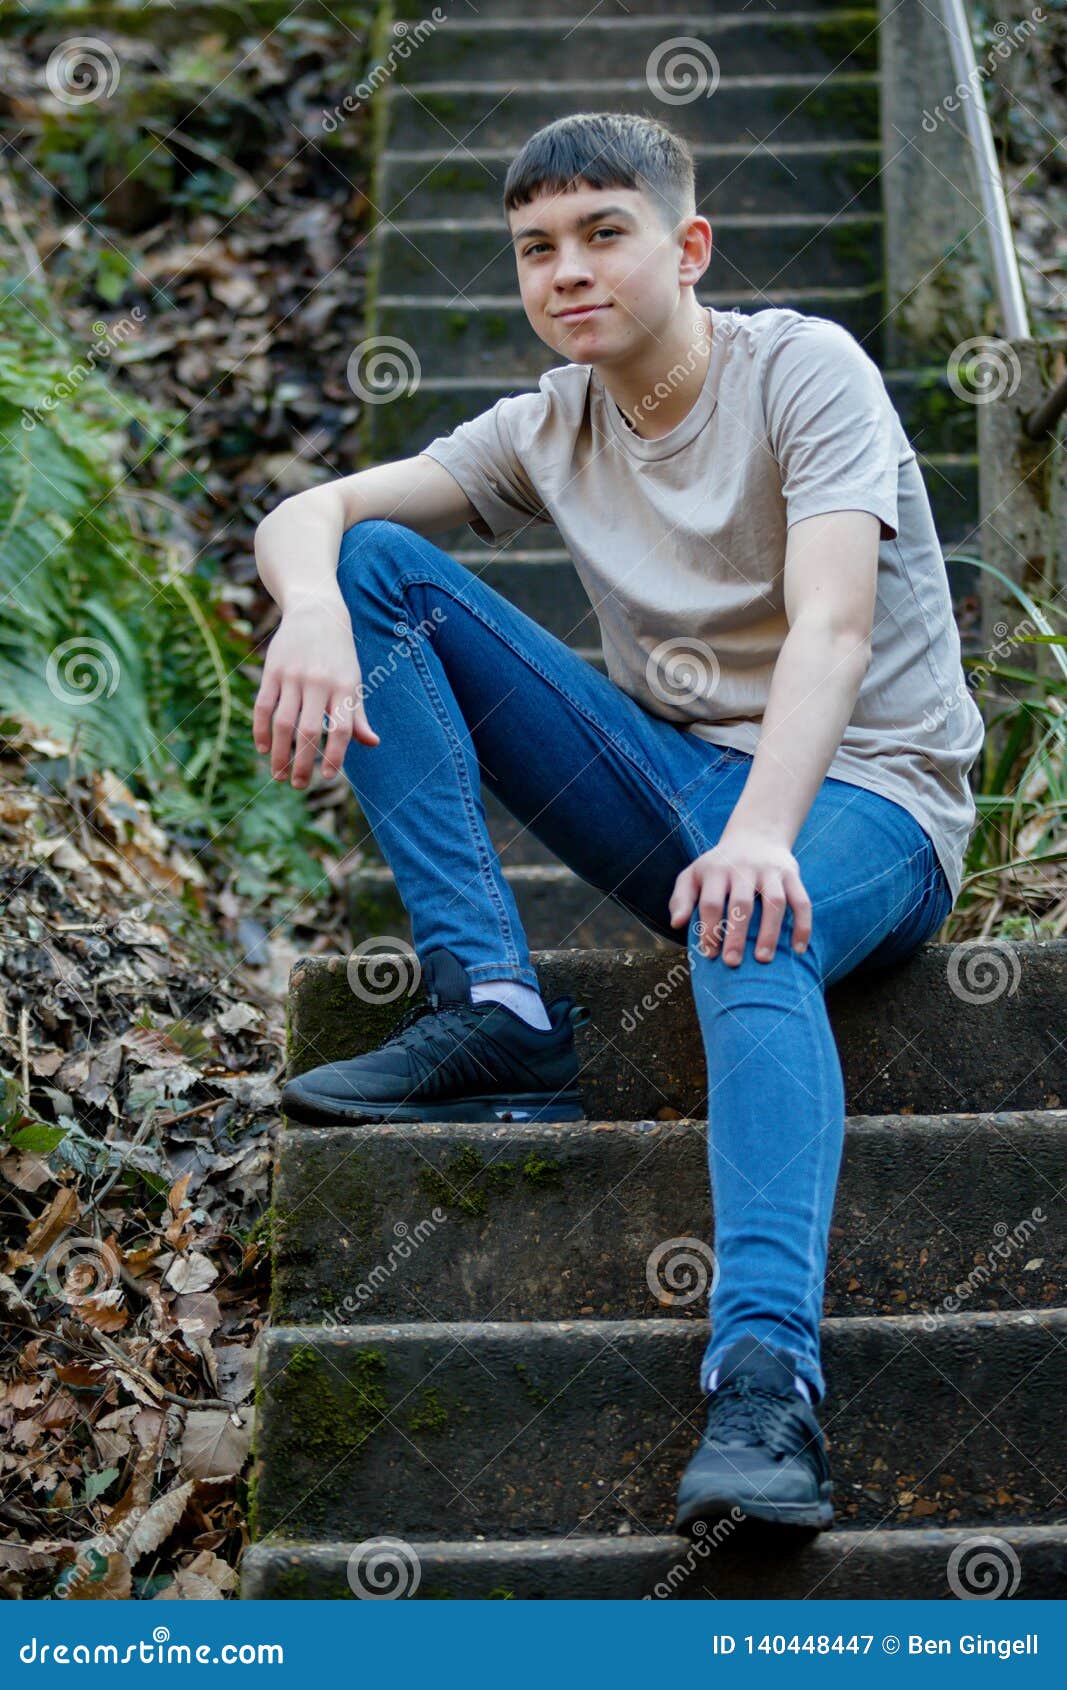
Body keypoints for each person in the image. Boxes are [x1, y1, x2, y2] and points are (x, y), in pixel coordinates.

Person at [250, 111, 984, 1539]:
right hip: (677, 787)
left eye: (603, 235)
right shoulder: (551, 422)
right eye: (535, 249)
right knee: (385, 564)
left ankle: (767, 1377)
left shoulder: (803, 370)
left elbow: (834, 626)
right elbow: (313, 508)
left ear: (688, 245)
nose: (565, 272)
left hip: (870, 802)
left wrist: (765, 833)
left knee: (743, 922)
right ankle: (500, 1007)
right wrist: (318, 603)